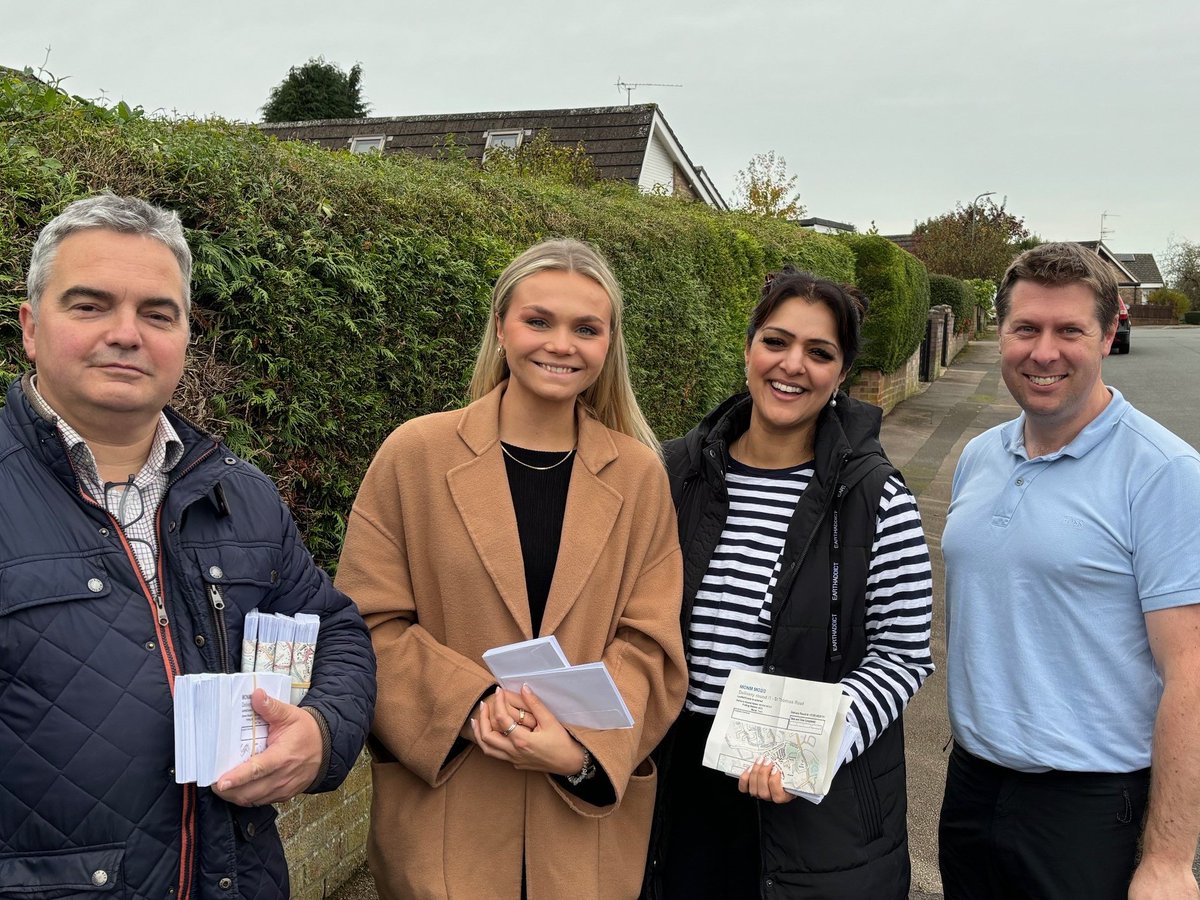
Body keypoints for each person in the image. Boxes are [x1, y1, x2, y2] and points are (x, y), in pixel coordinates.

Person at [0, 195, 376, 898]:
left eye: (157, 313)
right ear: (30, 326)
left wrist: (323, 732)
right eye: (89, 306)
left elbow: (337, 630)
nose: (126, 333)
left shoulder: (241, 493)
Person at [335, 238, 688, 900]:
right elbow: (367, 624)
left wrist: (579, 752)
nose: (562, 344)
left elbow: (653, 645)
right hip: (448, 816)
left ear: (609, 343)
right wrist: (470, 705)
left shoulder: (640, 475)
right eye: (538, 320)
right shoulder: (415, 455)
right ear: (500, 327)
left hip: (581, 825)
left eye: (587, 328)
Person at [645, 269, 935, 899]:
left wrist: (807, 745)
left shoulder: (875, 496)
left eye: (819, 352)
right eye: (776, 341)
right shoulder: (674, 473)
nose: (792, 365)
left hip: (808, 798)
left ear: (842, 374)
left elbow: (903, 654)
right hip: (675, 781)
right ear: (749, 347)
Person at [939, 241, 1200, 900]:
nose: (1044, 351)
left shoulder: (1165, 474)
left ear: (1109, 334)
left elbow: (1191, 673)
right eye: (1026, 328)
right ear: (1000, 333)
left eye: (1069, 331)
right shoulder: (979, 457)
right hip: (972, 788)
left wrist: (1169, 858)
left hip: (1091, 812)